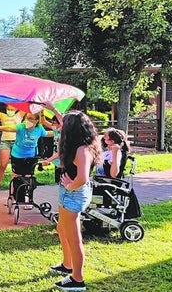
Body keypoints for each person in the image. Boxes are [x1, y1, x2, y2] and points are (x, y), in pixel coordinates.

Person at [50, 110, 101, 292]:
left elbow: (83, 177)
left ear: (71, 130)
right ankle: (67, 264)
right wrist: (51, 107)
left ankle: (77, 280)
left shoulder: (83, 149)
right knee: (62, 228)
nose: (61, 128)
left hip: (74, 194)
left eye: (65, 126)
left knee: (74, 237)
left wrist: (70, 187)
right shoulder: (77, 144)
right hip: (69, 192)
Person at [0, 103, 61, 208]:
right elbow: (8, 128)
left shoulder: (39, 129)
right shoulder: (21, 127)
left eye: (31, 119)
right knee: (15, 176)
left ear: (36, 121)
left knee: (29, 178)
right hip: (17, 155)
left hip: (31, 156)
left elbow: (47, 134)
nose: (29, 121)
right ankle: (12, 197)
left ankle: (28, 199)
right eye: (28, 118)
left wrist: (59, 131)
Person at [0, 103, 25, 193]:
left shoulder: (19, 115)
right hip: (5, 141)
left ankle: (16, 187)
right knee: (3, 165)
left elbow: (28, 106)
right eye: (8, 109)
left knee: (16, 165)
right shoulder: (3, 116)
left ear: (16, 109)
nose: (10, 111)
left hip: (17, 142)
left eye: (12, 109)